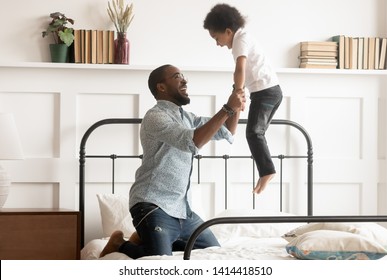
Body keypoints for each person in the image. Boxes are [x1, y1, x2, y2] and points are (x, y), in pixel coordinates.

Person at [100, 64, 245, 259]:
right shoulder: (155, 117)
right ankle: (120, 245)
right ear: (161, 87)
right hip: (152, 205)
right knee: (159, 260)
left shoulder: (188, 118)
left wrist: (236, 98)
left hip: (183, 211)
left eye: (184, 76)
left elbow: (227, 128)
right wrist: (227, 108)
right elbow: (192, 141)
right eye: (177, 77)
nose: (185, 81)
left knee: (215, 253)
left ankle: (152, 237)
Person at [203, 3, 283, 194]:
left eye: (216, 38)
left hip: (267, 92)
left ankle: (267, 171)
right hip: (267, 92)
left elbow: (240, 69)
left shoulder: (241, 39)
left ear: (228, 31)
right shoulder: (242, 39)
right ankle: (267, 170)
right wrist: (239, 92)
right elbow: (247, 73)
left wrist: (239, 91)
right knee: (257, 133)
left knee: (253, 133)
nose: (217, 43)